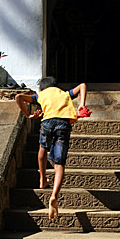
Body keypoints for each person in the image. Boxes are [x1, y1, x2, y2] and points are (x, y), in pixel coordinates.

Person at [15, 77, 90, 221]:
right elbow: (82, 85)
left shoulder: (40, 95)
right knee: (59, 164)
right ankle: (54, 194)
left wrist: (27, 114)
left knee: (42, 149)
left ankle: (42, 178)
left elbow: (18, 97)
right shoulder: (65, 93)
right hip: (63, 125)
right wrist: (81, 105)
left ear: (43, 88)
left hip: (47, 123)